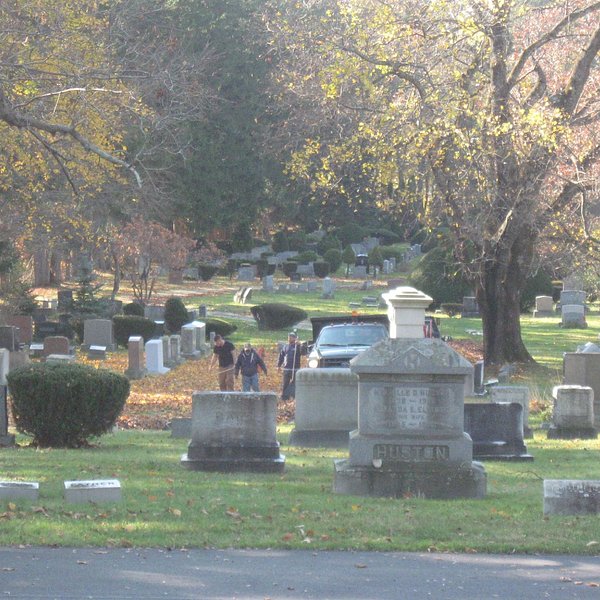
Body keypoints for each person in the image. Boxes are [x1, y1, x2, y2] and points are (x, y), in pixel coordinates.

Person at [277, 331, 305, 400]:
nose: (289, 338)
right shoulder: (285, 346)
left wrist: (300, 345)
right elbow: (281, 356)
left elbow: (303, 352)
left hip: (295, 369)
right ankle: (284, 398)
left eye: (291, 337)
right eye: (289, 336)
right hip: (286, 369)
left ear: (295, 338)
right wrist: (278, 365)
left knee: (294, 384)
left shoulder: (297, 346)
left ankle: (294, 397)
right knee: (285, 384)